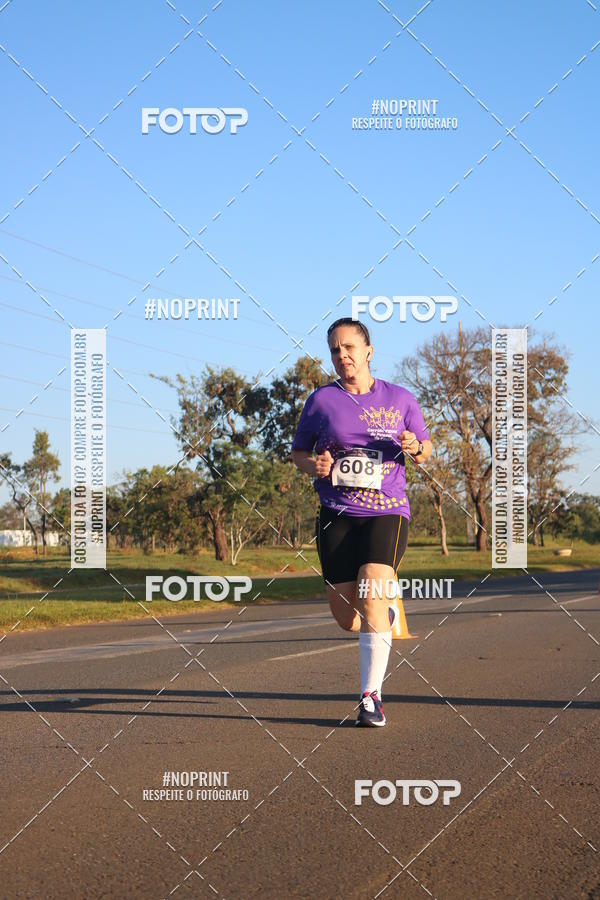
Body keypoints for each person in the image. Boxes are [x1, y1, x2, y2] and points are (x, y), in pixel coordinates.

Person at [291, 318, 433, 726]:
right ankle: (380, 616)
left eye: (349, 347)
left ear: (368, 351)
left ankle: (371, 698)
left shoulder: (400, 398)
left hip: (387, 510)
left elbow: (426, 449)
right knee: (347, 618)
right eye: (335, 350)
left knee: (372, 584)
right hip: (336, 513)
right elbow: (298, 453)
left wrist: (415, 445)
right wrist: (314, 465)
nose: (342, 356)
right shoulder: (321, 401)